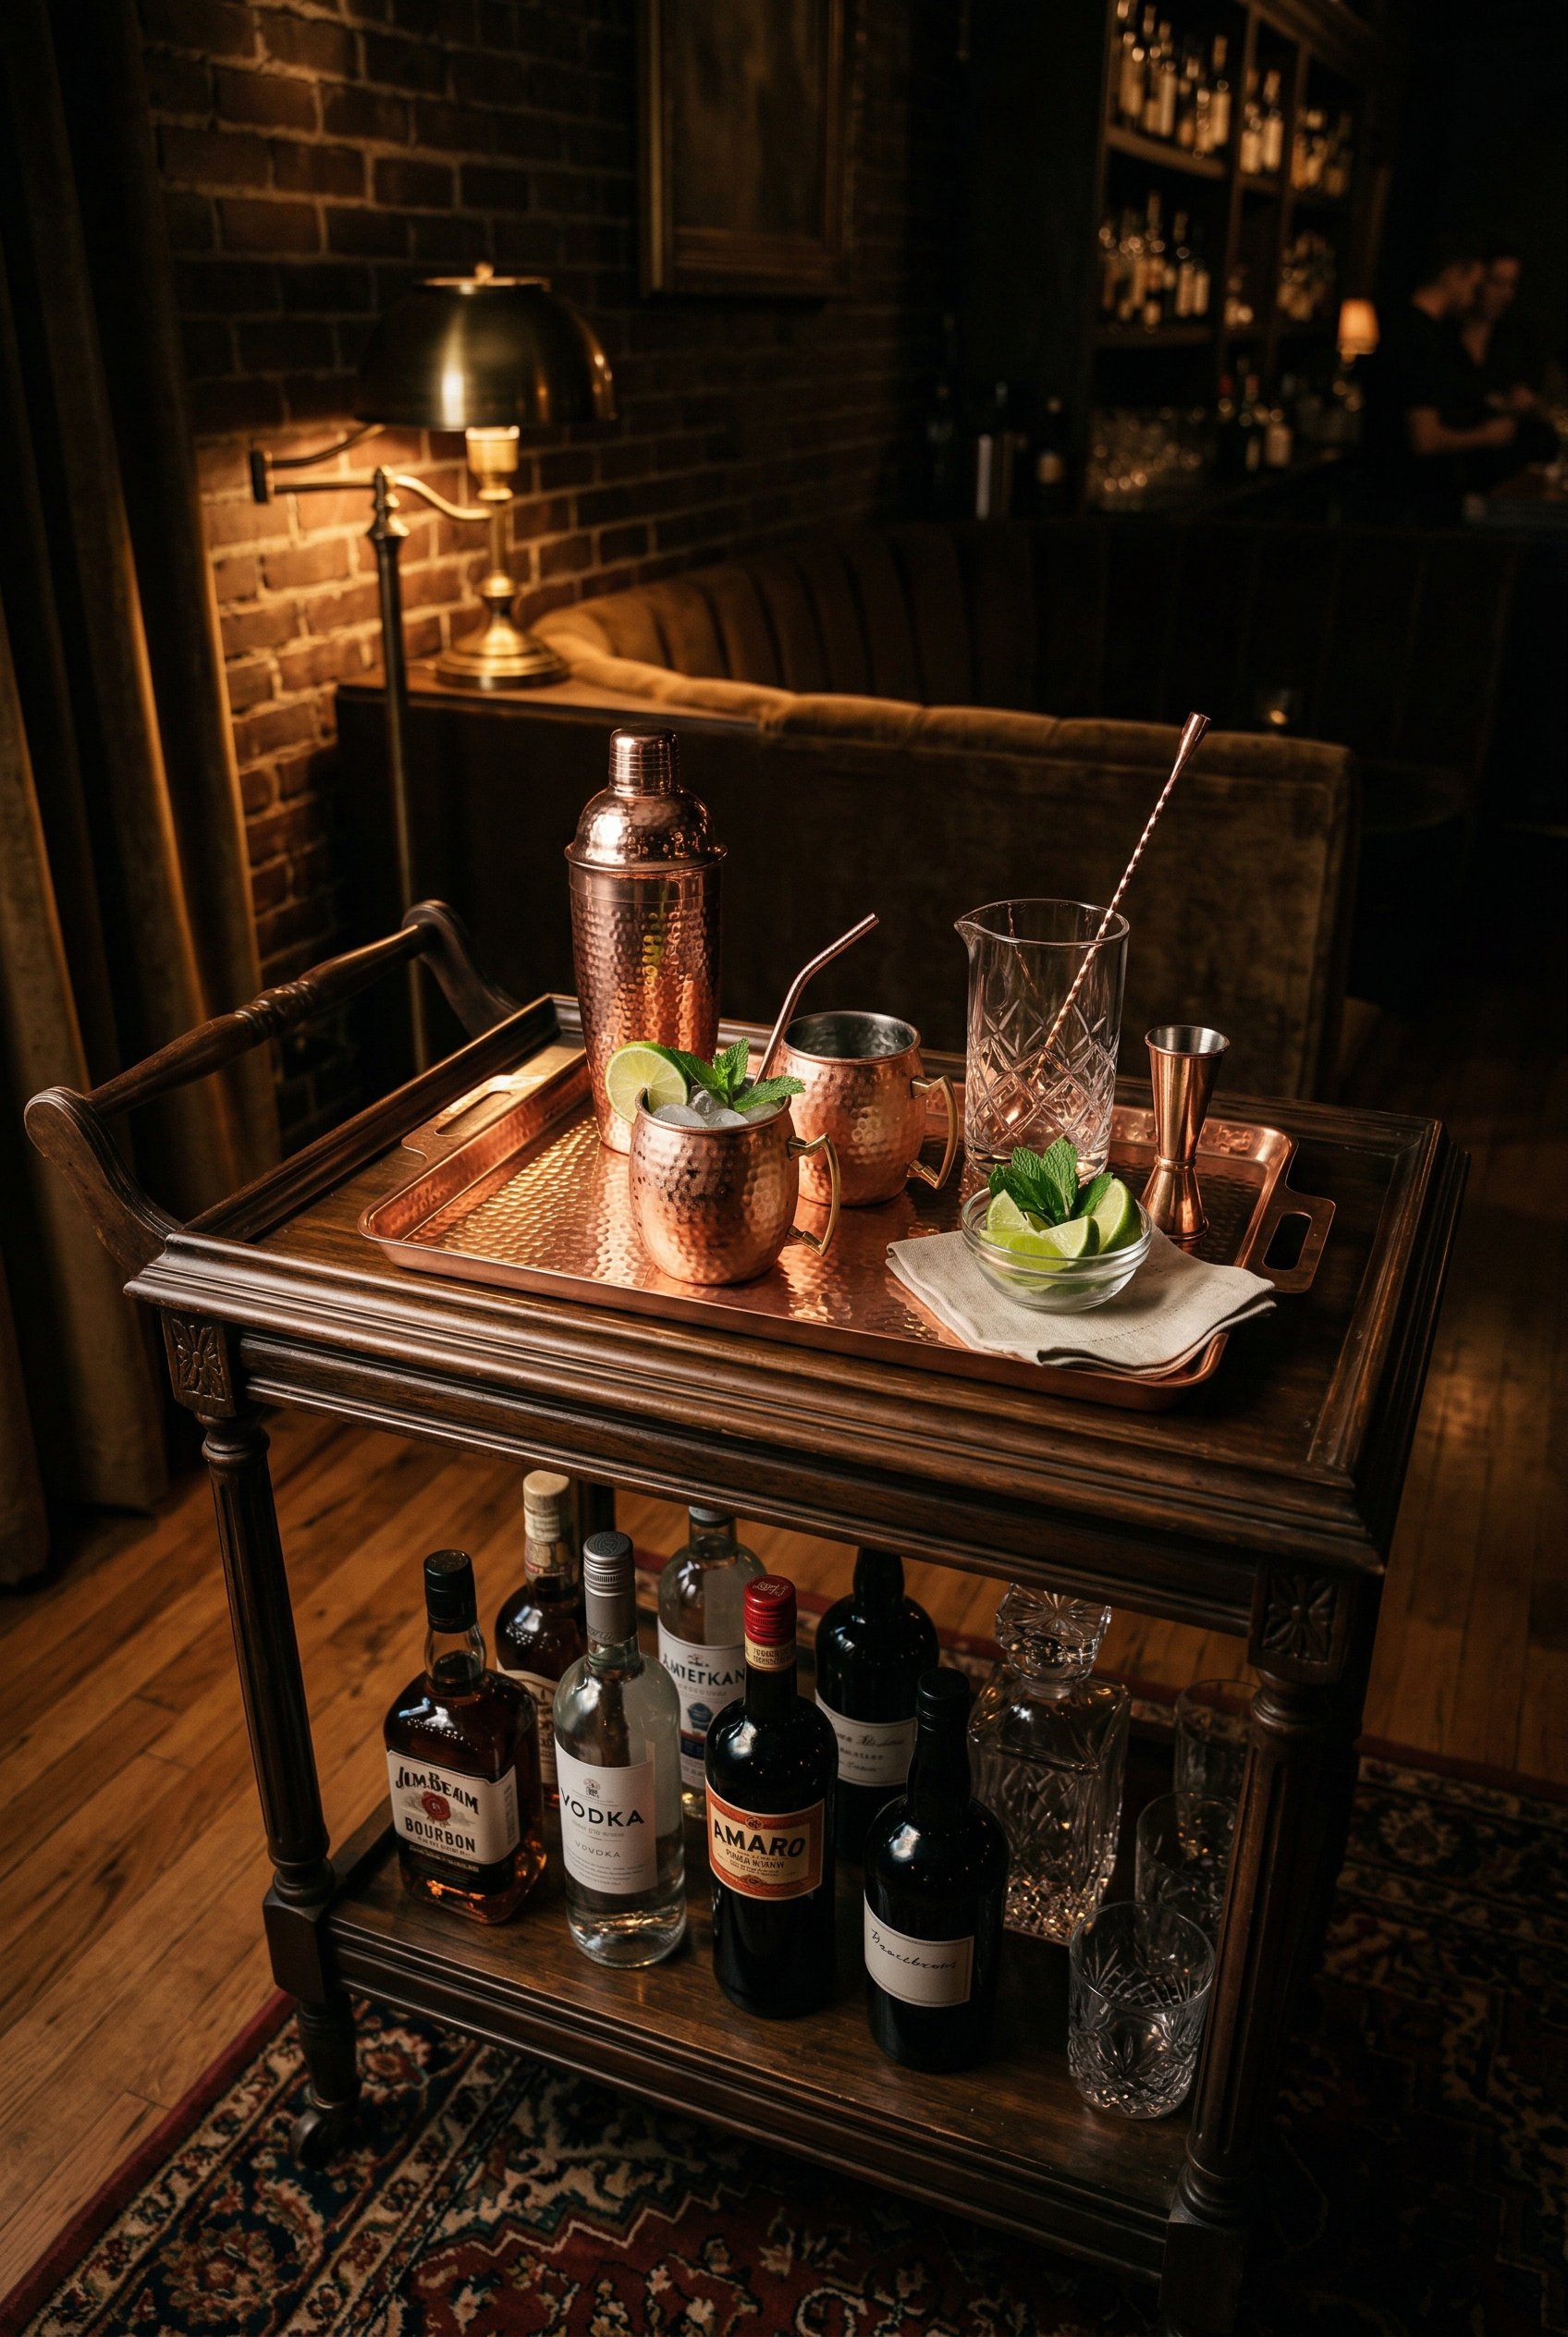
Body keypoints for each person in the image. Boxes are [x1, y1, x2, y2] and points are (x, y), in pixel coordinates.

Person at [1360, 231, 1519, 521]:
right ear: (1452, 274)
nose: (1474, 296)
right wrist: (1489, 435)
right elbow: (1425, 439)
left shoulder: (1415, 329)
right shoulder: (1419, 338)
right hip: (1406, 506)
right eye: (1474, 284)